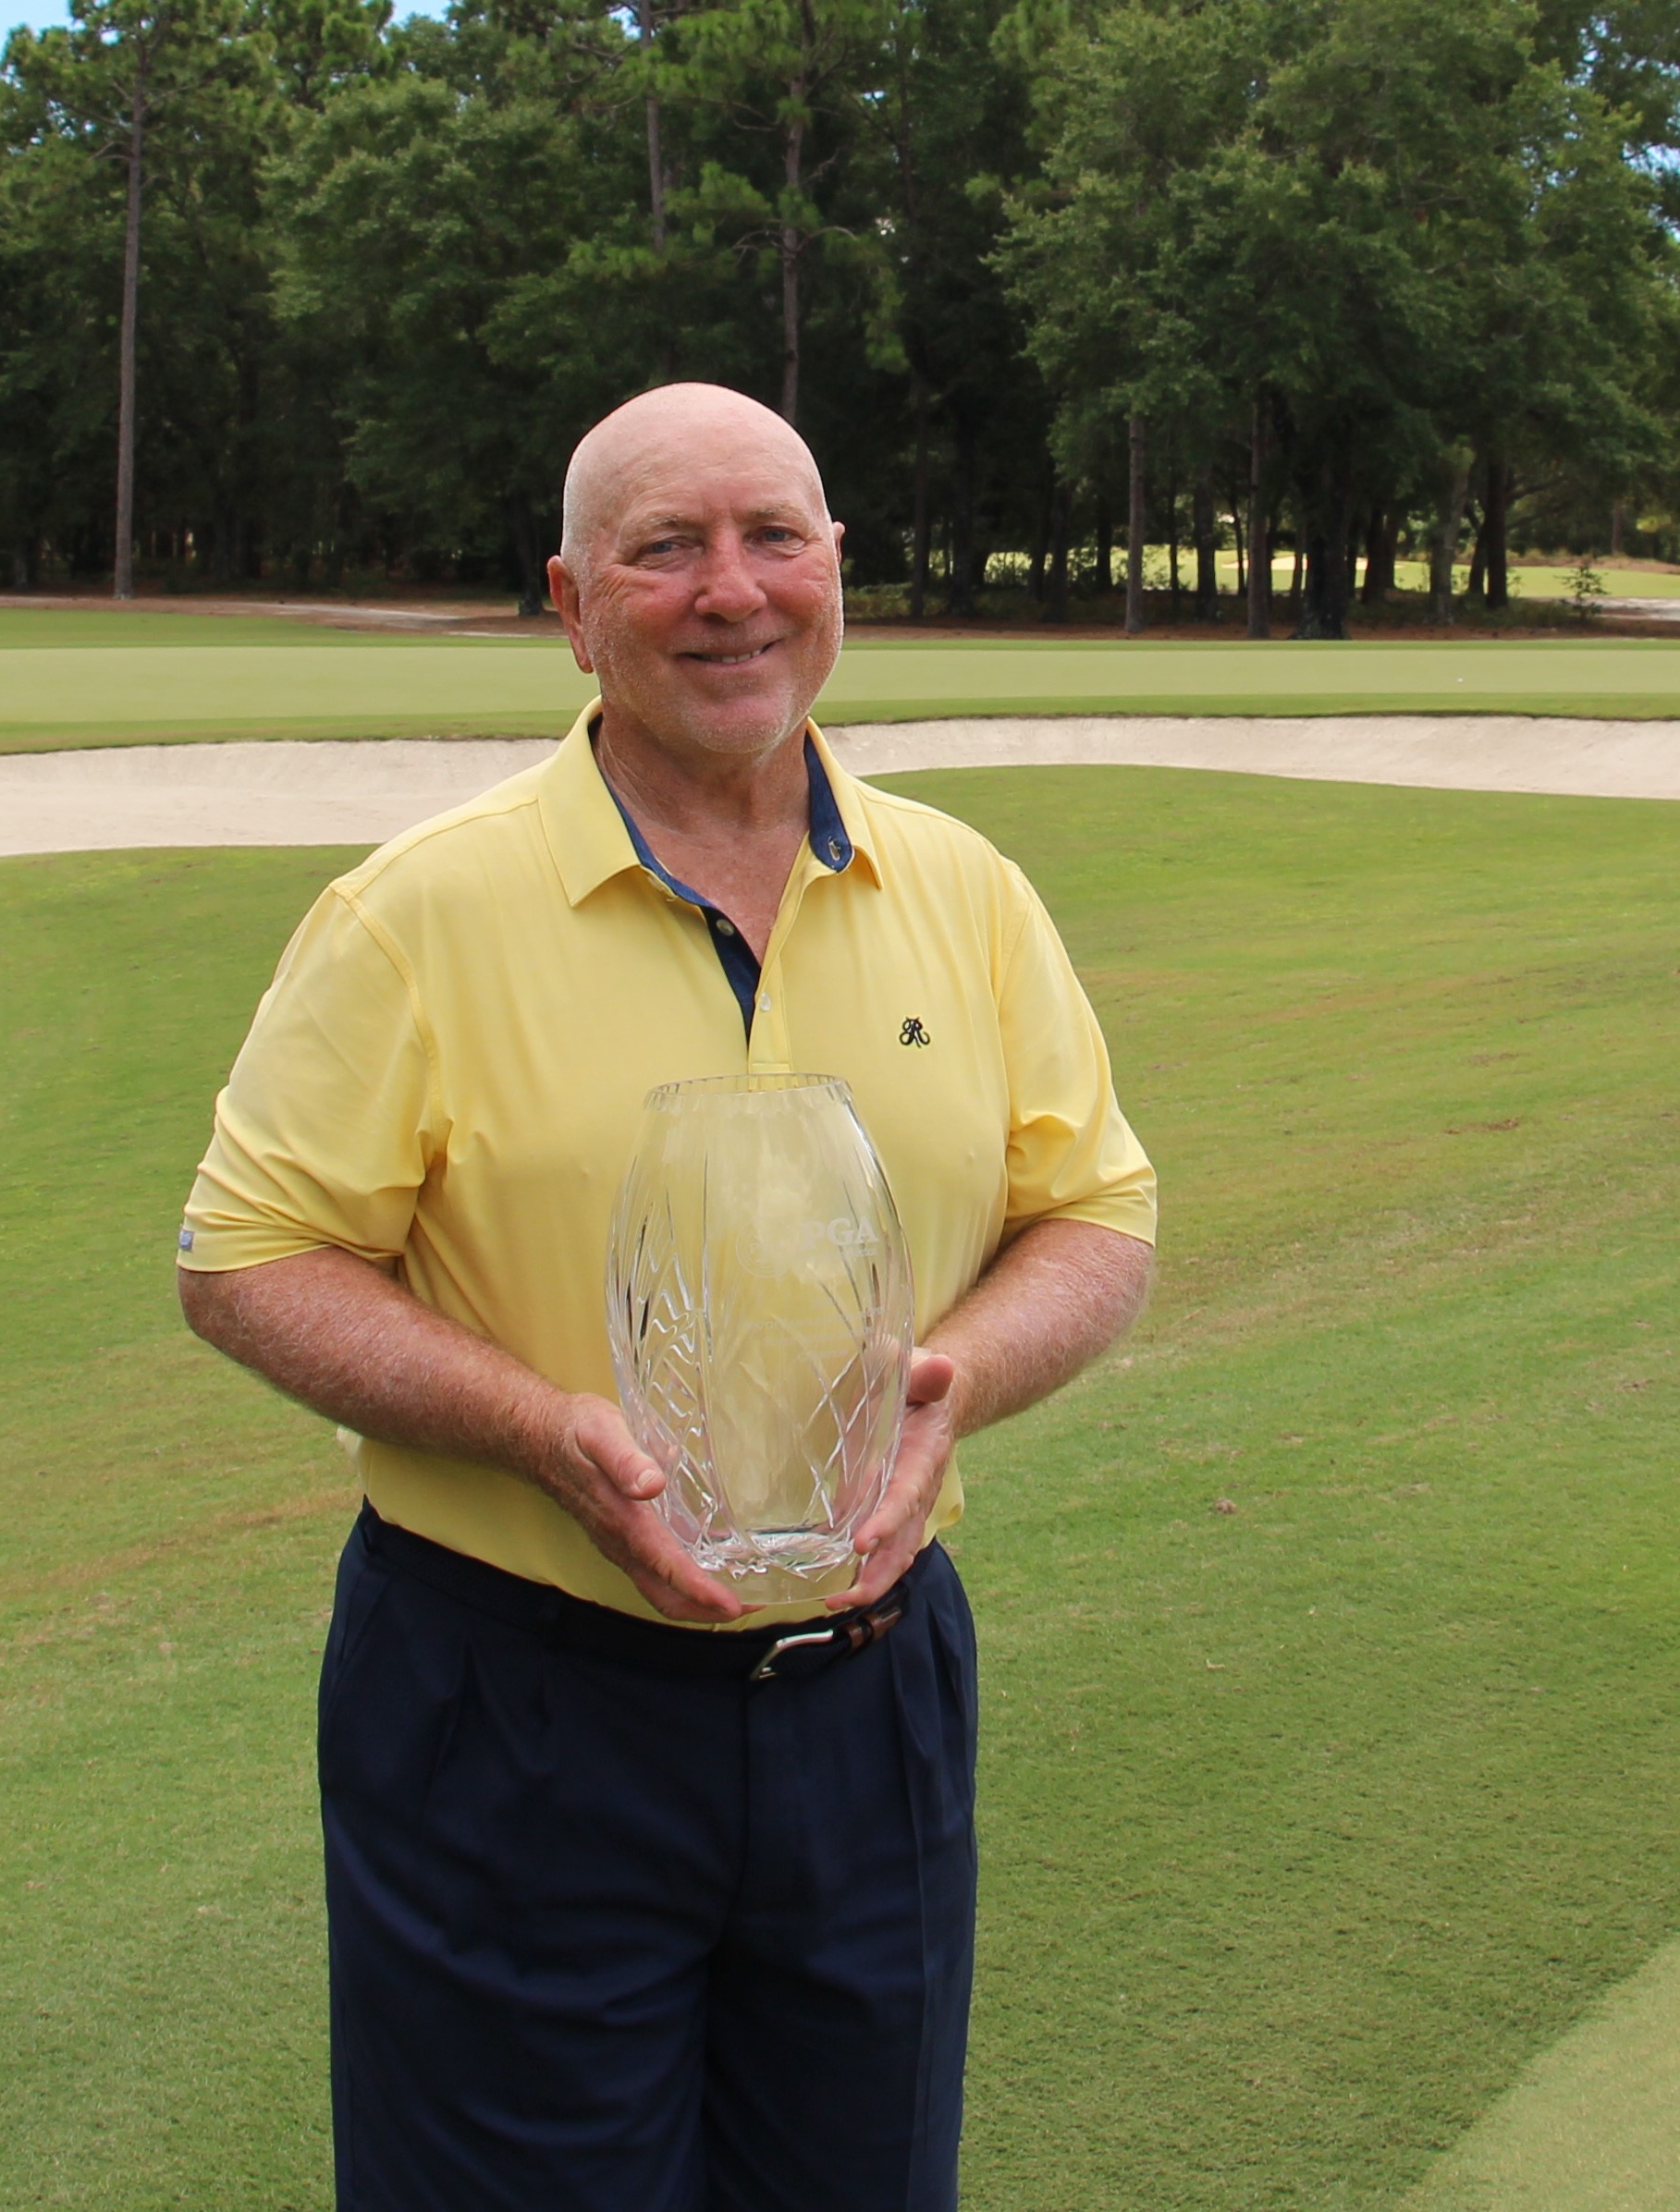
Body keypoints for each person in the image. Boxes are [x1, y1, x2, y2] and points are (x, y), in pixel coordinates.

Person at [176, 382, 1157, 2212]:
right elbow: (245, 1262)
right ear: (570, 601)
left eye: (776, 536)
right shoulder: (421, 916)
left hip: (873, 1699)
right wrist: (533, 1427)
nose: (733, 590)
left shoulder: (968, 890)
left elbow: (1097, 1214)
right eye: (666, 548)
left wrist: (966, 1378)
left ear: (838, 567)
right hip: (515, 1705)